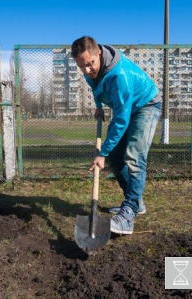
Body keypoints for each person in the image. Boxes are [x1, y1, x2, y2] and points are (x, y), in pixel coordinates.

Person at [71, 36, 162, 235]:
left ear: (99, 54)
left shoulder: (119, 75)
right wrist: (98, 106)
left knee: (134, 157)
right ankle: (136, 202)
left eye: (89, 64)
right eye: (81, 66)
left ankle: (129, 212)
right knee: (115, 157)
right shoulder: (90, 69)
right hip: (127, 107)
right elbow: (95, 86)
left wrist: (101, 153)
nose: (86, 70)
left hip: (146, 105)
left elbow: (121, 120)